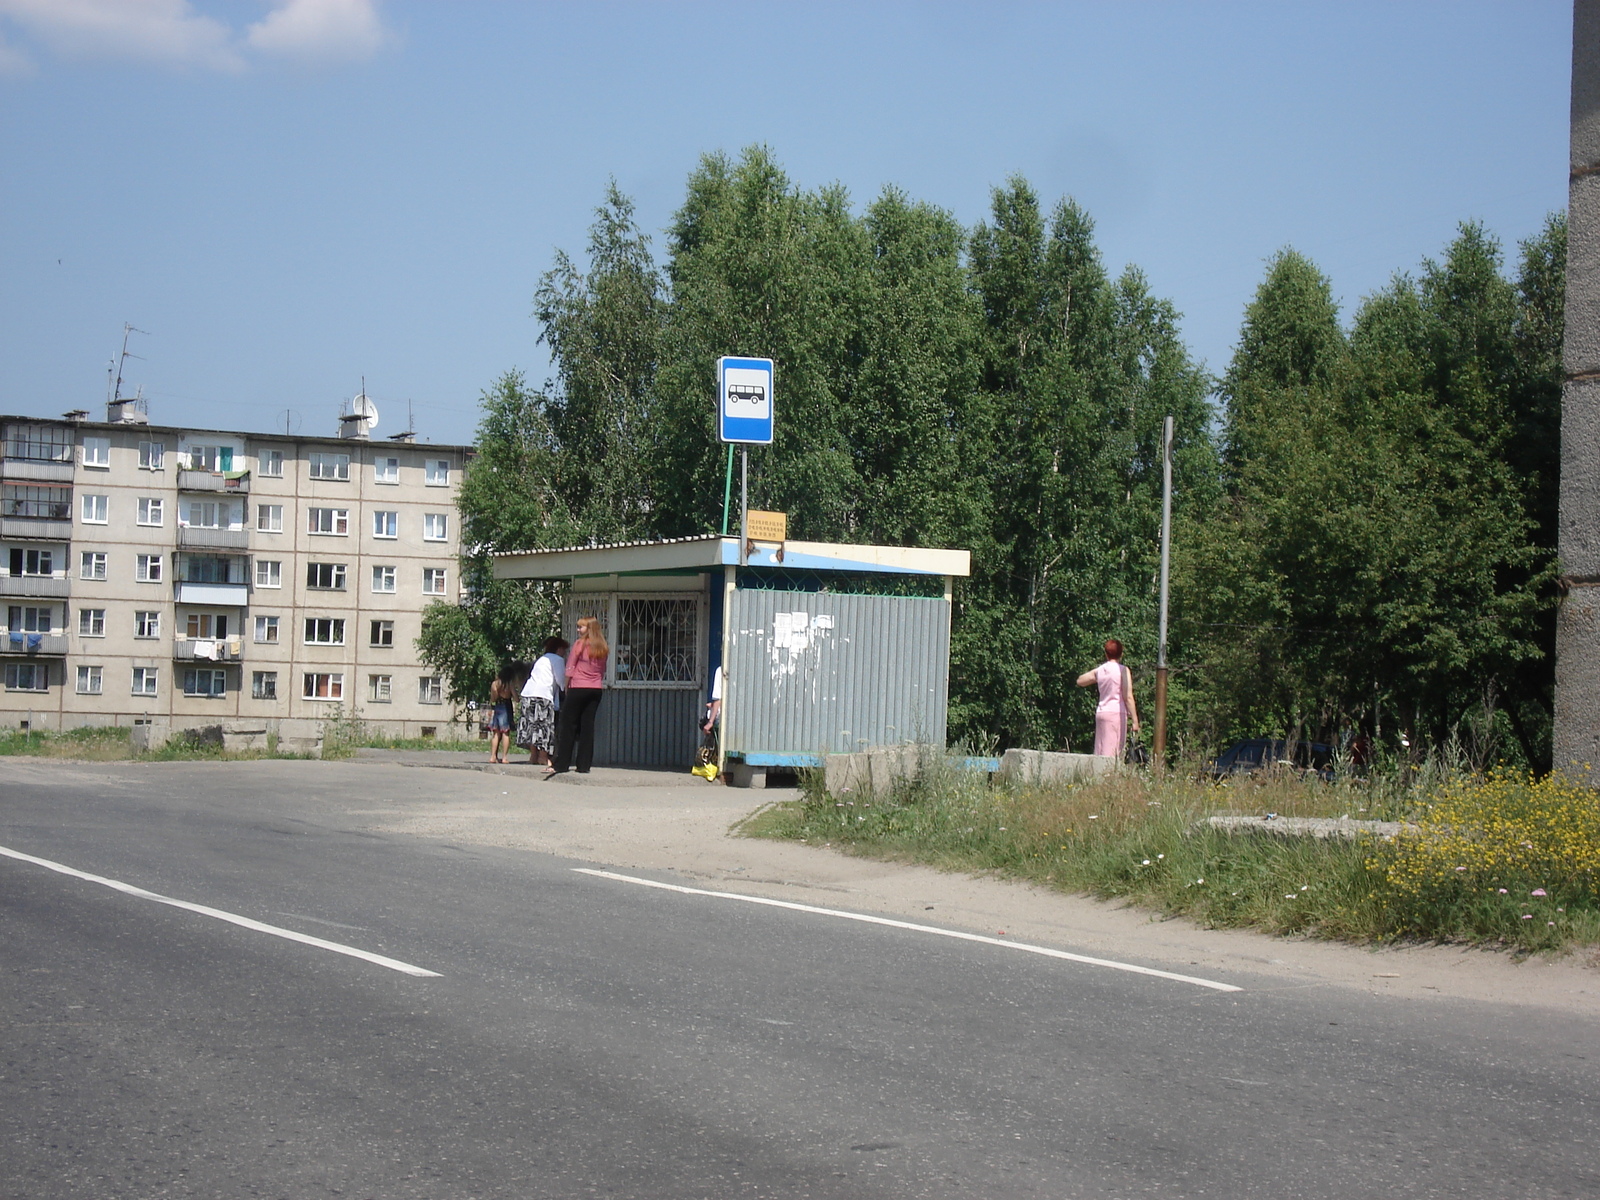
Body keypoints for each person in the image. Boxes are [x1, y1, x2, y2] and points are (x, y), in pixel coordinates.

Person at [547, 616, 608, 776]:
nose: (578, 630)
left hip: (578, 687)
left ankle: (562, 764)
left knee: (568, 725)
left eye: (581, 627)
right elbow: (603, 669)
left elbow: (570, 666)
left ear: (589, 629)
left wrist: (566, 685)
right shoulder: (602, 646)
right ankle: (584, 765)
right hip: (595, 689)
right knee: (587, 726)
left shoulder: (580, 644)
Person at [1076, 638, 1139, 759]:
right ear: (1121, 653)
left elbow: (1080, 681)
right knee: (1112, 752)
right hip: (1116, 714)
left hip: (1102, 712)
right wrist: (1135, 720)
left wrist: (1098, 676)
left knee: (1100, 748)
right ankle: (1108, 776)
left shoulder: (1100, 670)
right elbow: (1128, 696)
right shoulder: (1123, 671)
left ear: (1106, 653)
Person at [519, 637, 568, 766]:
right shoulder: (557, 659)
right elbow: (561, 680)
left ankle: (533, 756)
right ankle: (543, 757)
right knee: (543, 726)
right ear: (559, 649)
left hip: (528, 693)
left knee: (531, 726)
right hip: (543, 695)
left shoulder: (541, 659)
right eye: (564, 650)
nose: (565, 653)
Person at [486, 664, 516, 764]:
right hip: (506, 707)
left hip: (497, 707)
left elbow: (493, 699)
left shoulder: (495, 684)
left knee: (496, 733)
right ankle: (504, 757)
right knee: (505, 733)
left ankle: (493, 756)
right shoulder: (509, 684)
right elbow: (516, 698)